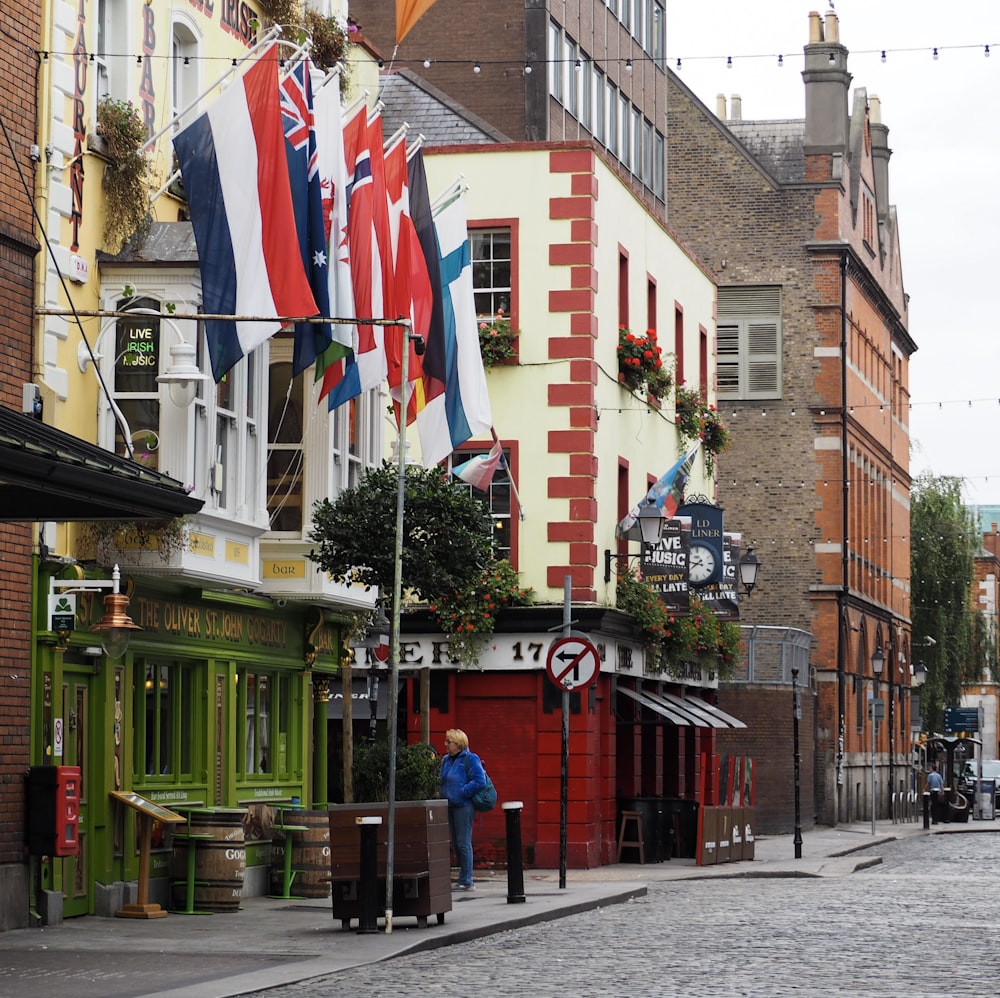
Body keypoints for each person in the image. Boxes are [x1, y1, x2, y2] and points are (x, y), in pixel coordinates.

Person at [439, 728, 486, 891]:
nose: (445, 744)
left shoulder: (470, 759)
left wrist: (463, 792)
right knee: (455, 843)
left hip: (464, 806)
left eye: (448, 742)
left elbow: (480, 780)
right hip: (449, 805)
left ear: (458, 744)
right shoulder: (446, 760)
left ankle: (467, 880)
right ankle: (463, 877)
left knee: (463, 842)